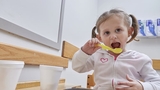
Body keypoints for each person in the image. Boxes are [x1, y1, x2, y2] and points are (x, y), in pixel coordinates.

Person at [72, 9, 160, 90]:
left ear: (129, 32)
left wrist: (142, 86)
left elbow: (157, 84)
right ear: (100, 38)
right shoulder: (97, 55)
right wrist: (84, 52)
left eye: (118, 30)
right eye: (106, 32)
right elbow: (77, 67)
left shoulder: (141, 59)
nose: (113, 36)